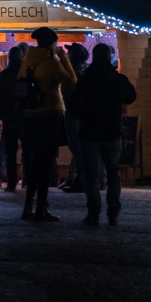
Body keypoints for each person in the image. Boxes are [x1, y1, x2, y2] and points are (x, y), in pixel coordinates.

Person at [66, 43, 136, 225]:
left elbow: (73, 109)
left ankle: (93, 213)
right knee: (113, 173)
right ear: (108, 57)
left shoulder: (85, 79)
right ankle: (113, 212)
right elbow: (131, 96)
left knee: (91, 175)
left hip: (89, 133)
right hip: (112, 132)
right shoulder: (117, 78)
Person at [19, 27, 77, 221]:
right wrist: (63, 56)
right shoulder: (51, 62)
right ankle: (41, 209)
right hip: (49, 115)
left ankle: (28, 207)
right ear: (52, 43)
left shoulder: (28, 60)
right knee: (45, 164)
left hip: (29, 117)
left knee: (34, 164)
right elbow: (72, 80)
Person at [0, 45, 27, 192]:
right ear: (21, 57)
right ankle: (27, 181)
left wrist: (0, 113)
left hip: (8, 118)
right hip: (25, 117)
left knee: (10, 151)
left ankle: (11, 183)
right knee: (27, 150)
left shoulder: (3, 75)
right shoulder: (26, 74)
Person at [61, 42, 91, 193]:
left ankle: (81, 179)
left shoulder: (74, 72)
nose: (67, 55)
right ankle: (78, 178)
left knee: (76, 147)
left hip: (73, 113)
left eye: (69, 53)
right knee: (79, 147)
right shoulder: (87, 69)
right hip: (84, 113)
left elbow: (68, 93)